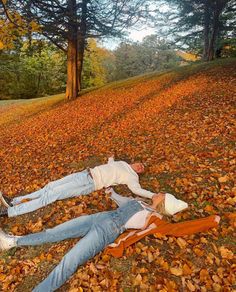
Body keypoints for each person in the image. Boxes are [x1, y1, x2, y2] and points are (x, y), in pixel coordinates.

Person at [0, 189, 220, 292]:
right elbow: (124, 203)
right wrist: (113, 194)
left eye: (163, 195)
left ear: (164, 204)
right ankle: (13, 241)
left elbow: (180, 228)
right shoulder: (142, 203)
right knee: (56, 231)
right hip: (100, 218)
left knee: (69, 261)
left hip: (106, 232)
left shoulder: (156, 219)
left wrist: (210, 221)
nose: (160, 192)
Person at [0, 156, 156, 217]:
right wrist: (111, 159)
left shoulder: (132, 177)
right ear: (136, 162)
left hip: (89, 183)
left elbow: (136, 190)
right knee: (49, 186)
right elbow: (111, 166)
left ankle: (10, 211)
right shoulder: (123, 163)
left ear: (140, 173)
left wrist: (153, 196)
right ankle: (14, 201)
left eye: (142, 168)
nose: (139, 167)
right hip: (84, 173)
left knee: (51, 195)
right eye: (140, 164)